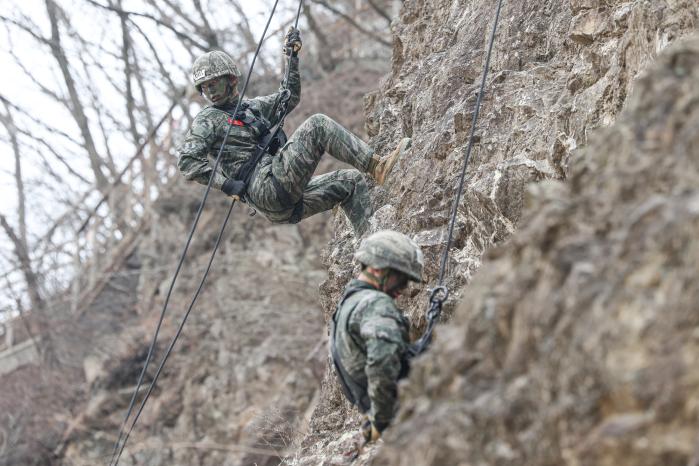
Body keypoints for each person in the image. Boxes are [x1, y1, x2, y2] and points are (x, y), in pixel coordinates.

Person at [176, 28, 409, 236]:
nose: (210, 92)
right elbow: (188, 162)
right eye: (204, 88)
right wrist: (225, 184)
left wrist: (292, 59)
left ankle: (370, 256)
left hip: (280, 203)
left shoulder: (252, 108)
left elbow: (288, 98)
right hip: (265, 188)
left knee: (351, 182)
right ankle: (377, 167)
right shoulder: (207, 120)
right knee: (317, 125)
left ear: (231, 79)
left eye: (213, 84)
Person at [329, 230, 423, 442]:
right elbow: (382, 361)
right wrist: (381, 418)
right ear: (378, 270)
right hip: (406, 415)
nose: (404, 288)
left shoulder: (348, 304)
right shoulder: (375, 303)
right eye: (401, 278)